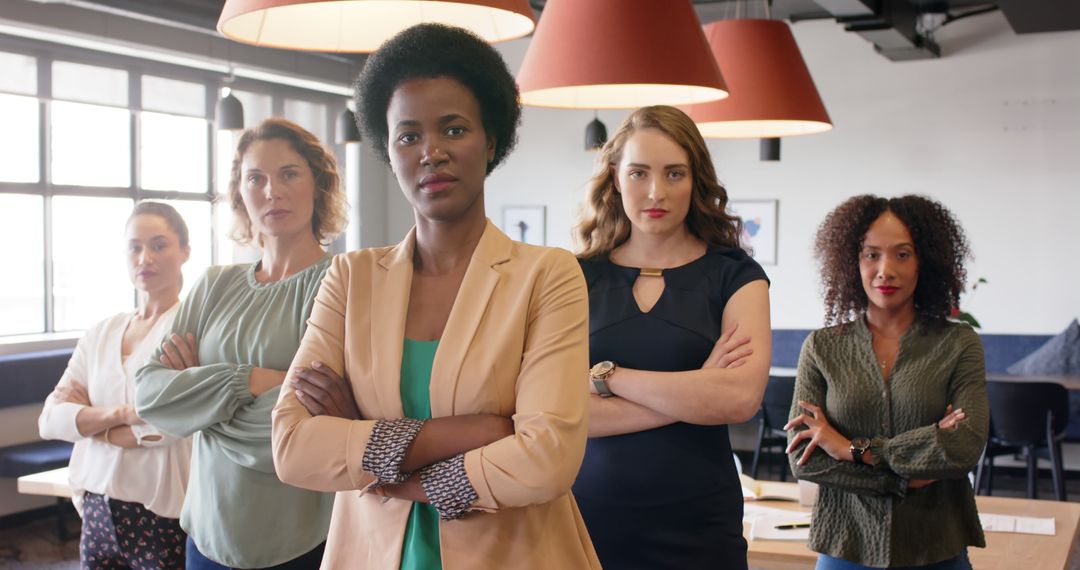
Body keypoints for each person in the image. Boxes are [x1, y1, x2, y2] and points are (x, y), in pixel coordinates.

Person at [271, 23, 599, 569]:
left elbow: (549, 459)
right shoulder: (350, 279)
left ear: (490, 140)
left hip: (514, 554)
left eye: (453, 130)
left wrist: (378, 460)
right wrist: (475, 432)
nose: (431, 153)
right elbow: (292, 448)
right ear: (388, 150)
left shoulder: (547, 275)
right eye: (408, 136)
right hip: (373, 554)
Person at [135, 118, 347, 569]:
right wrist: (247, 381)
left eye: (289, 173)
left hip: (301, 541)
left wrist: (200, 407)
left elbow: (317, 429)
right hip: (206, 537)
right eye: (256, 178)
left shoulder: (343, 283)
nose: (272, 191)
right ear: (241, 193)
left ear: (318, 184)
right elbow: (150, 394)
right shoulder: (213, 285)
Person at [571, 105, 772, 569]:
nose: (655, 192)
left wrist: (607, 377)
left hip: (700, 525)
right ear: (616, 179)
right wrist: (695, 390)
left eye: (674, 173)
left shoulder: (736, 276)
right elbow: (561, 414)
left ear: (695, 180)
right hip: (588, 519)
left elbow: (740, 399)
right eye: (639, 173)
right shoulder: (576, 277)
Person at [786, 194, 988, 569]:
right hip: (844, 546)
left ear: (923, 261)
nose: (885, 270)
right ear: (852, 262)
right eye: (871, 254)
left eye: (902, 254)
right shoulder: (821, 347)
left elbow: (964, 447)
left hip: (937, 548)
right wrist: (905, 480)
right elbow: (804, 459)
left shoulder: (958, 343)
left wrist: (851, 449)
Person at [39, 201, 192, 569]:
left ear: (184, 251)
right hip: (96, 506)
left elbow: (175, 423)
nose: (145, 258)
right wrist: (125, 415)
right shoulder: (101, 332)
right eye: (135, 248)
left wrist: (91, 424)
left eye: (159, 245)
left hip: (161, 511)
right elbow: (51, 420)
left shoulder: (191, 330)